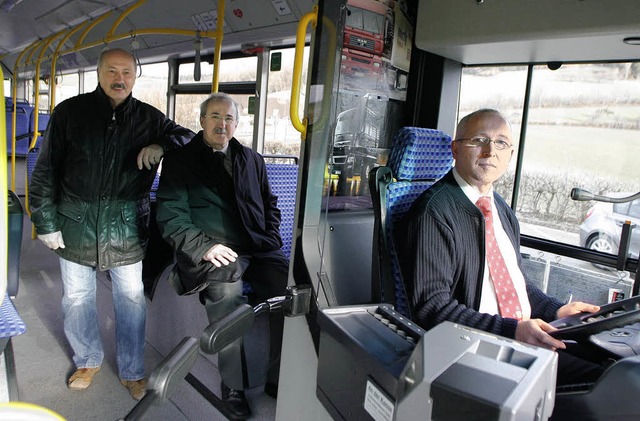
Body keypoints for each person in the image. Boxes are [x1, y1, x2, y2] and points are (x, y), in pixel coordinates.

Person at [396, 108, 609, 386]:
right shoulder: (434, 213)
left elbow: (513, 284)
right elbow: (432, 308)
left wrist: (555, 311)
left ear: (510, 154)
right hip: (475, 345)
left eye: (501, 143)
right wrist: (512, 331)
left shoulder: (500, 209)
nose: (490, 151)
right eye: (478, 140)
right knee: (606, 382)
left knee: (612, 360)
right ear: (455, 150)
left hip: (517, 333)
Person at [28, 48, 194, 400]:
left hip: (125, 224)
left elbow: (188, 139)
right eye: (112, 71)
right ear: (99, 74)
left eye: (127, 73)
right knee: (76, 297)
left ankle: (133, 370)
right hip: (75, 220)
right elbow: (45, 170)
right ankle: (87, 358)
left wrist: (162, 144)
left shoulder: (150, 118)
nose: (119, 79)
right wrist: (45, 222)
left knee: (131, 300)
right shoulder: (70, 113)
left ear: (135, 77)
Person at [155, 92, 288, 420]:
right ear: (201, 121)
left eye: (229, 118)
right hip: (211, 249)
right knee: (228, 290)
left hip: (257, 246)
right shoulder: (180, 161)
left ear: (237, 124)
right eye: (215, 116)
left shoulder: (251, 159)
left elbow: (269, 203)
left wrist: (270, 236)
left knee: (292, 286)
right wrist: (204, 247)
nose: (222, 124)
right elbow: (171, 215)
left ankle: (278, 375)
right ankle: (234, 384)